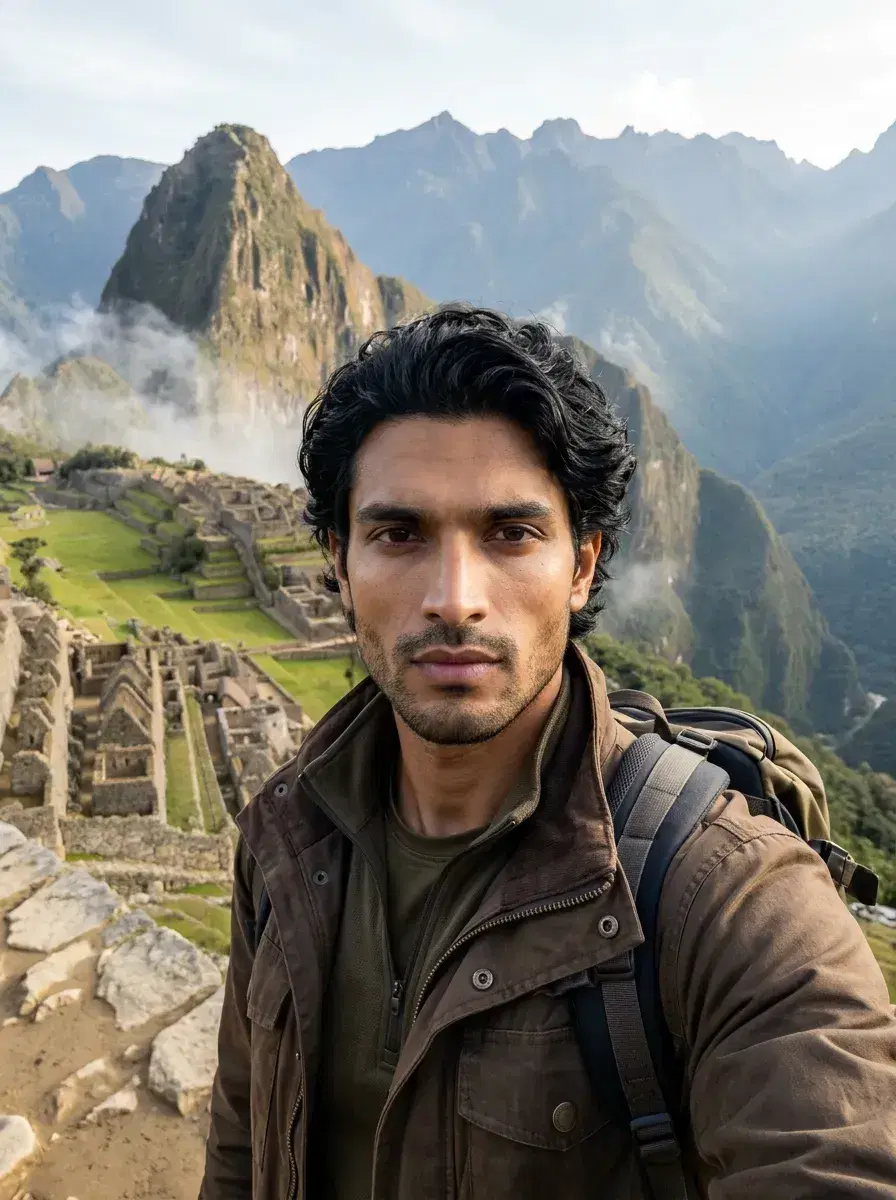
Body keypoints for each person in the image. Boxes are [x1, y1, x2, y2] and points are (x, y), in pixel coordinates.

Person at [199, 306, 896, 1200]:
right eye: (399, 534)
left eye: (510, 533)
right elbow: (238, 1145)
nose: (455, 598)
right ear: (340, 562)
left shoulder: (725, 897)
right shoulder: (286, 839)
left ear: (582, 564)